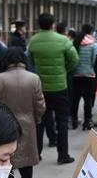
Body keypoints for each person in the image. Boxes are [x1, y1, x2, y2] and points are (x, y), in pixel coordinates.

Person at [0, 47, 46, 178]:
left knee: (7, 161)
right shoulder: (33, 78)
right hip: (28, 125)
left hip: (4, 125)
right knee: (27, 162)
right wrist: (36, 119)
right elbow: (40, 104)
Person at [28, 13, 79, 165]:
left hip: (41, 87)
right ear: (53, 24)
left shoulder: (33, 40)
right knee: (62, 121)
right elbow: (74, 60)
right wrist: (64, 70)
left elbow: (30, 60)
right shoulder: (63, 40)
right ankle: (63, 155)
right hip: (59, 87)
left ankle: (36, 154)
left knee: (40, 121)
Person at [70, 23, 97, 130]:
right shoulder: (93, 44)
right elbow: (95, 61)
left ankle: (74, 121)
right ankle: (87, 121)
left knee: (75, 99)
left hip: (76, 75)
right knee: (88, 99)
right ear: (91, 31)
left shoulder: (75, 42)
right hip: (89, 75)